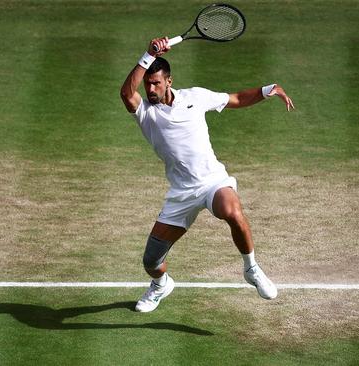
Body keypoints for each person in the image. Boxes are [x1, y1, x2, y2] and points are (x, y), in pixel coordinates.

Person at [120, 37, 295, 313]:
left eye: (156, 83)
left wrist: (268, 89)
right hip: (182, 193)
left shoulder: (196, 97)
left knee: (231, 210)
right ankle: (160, 285)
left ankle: (251, 268)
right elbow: (126, 93)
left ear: (169, 81)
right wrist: (147, 55)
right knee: (151, 261)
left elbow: (235, 99)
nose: (150, 89)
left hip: (213, 181)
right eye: (147, 84)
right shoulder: (145, 113)